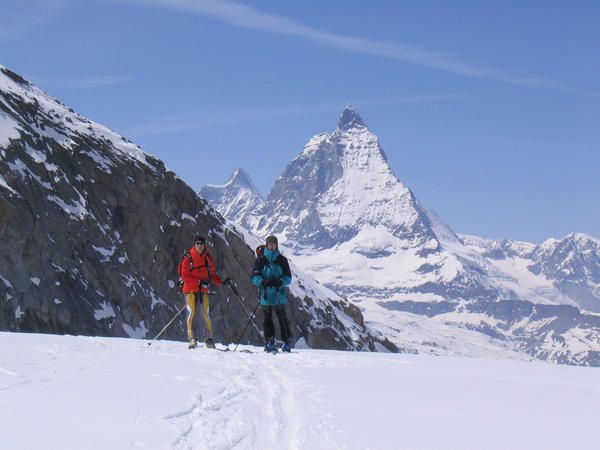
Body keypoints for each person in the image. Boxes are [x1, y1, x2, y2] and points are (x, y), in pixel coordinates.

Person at [178, 235, 222, 348]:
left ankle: (209, 339)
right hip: (190, 290)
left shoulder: (208, 258)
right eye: (197, 243)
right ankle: (192, 338)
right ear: (194, 245)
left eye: (201, 244)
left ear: (204, 245)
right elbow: (185, 276)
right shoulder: (188, 259)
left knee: (205, 315)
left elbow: (212, 274)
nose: (199, 246)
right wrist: (199, 282)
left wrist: (221, 282)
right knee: (191, 314)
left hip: (203, 290)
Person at [251, 235, 293, 352]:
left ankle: (286, 342)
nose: (272, 246)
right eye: (270, 244)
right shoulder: (260, 259)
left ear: (276, 245)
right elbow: (254, 277)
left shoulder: (282, 260)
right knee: (268, 319)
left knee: (282, 319)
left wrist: (279, 282)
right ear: (266, 245)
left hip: (278, 295)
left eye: (273, 244)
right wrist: (263, 282)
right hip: (266, 295)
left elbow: (288, 278)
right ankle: (270, 341)